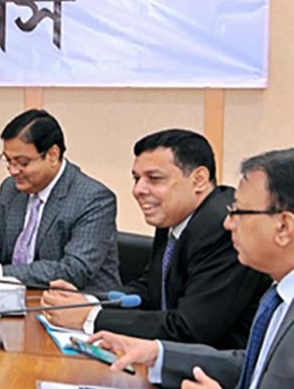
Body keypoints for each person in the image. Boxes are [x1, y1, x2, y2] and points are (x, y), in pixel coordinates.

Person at [89, 149, 294, 389]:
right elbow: (256, 367)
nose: (227, 223)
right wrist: (158, 353)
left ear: (284, 226)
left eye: (238, 211)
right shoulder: (279, 295)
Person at [42, 130, 269, 349]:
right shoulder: (176, 216)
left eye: (154, 179)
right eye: (137, 178)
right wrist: (90, 301)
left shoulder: (222, 228)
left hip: (215, 375)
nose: (138, 190)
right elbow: (151, 292)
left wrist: (92, 317)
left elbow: (190, 329)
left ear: (199, 179)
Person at [0, 109, 120, 291]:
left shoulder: (93, 199)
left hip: (82, 307)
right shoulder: (11, 189)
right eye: (8, 161)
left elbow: (73, 271)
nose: (13, 170)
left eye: (23, 162)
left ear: (52, 155)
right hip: (21, 300)